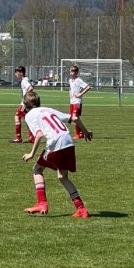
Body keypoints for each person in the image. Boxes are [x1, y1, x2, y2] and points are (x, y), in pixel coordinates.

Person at [21, 90, 92, 218]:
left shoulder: (29, 115)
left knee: (37, 169)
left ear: (25, 105)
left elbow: (39, 134)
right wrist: (85, 132)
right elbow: (74, 118)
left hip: (56, 143)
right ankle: (81, 208)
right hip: (68, 141)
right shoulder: (48, 110)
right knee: (62, 176)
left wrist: (31, 153)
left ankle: (42, 203)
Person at [11, 65, 35, 144]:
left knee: (17, 116)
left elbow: (30, 88)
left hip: (24, 103)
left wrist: (26, 99)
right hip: (27, 103)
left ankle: (18, 138)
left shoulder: (24, 80)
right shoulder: (25, 79)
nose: (15, 74)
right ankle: (32, 138)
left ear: (21, 73)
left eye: (16, 72)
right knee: (27, 119)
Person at [67, 65, 91, 139]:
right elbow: (71, 88)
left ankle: (79, 134)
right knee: (75, 119)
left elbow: (88, 87)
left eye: (73, 71)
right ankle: (81, 133)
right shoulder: (70, 80)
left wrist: (80, 94)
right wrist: (70, 94)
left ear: (77, 72)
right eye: (71, 71)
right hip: (72, 101)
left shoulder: (79, 80)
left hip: (77, 102)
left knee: (75, 118)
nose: (71, 73)